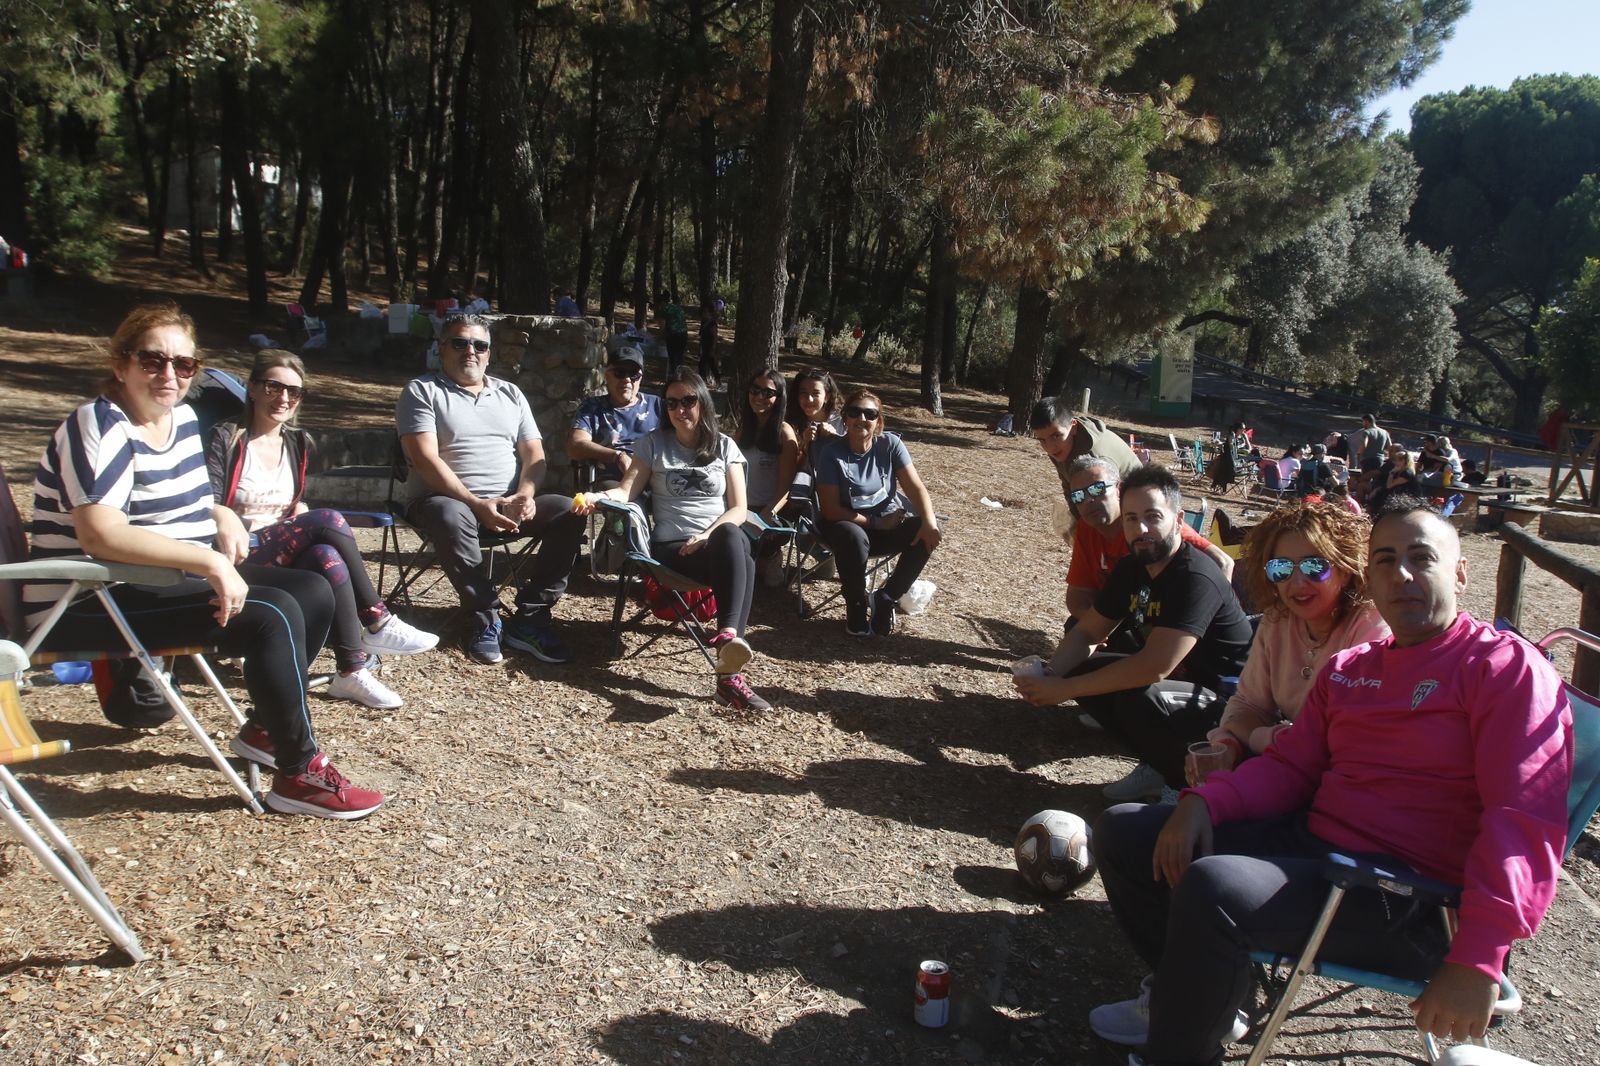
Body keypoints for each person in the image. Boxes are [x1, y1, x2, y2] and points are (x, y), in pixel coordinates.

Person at [1088, 495, 1572, 1066]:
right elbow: (1292, 767)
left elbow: (1523, 822)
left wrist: (1479, 956)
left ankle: (1181, 1048)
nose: (1403, 575)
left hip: (1412, 898)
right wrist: (1203, 802)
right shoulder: (1353, 669)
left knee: (1213, 887)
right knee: (1125, 832)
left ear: (1461, 573)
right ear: (1369, 575)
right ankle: (1194, 999)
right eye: (1386, 560)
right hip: (1322, 854)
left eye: (1422, 557)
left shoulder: (1502, 669)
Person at [25, 303, 384, 818]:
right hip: (85, 599)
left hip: (156, 580)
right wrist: (210, 563)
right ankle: (298, 772)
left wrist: (220, 513)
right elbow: (100, 533)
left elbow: (182, 505)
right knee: (270, 615)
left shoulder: (181, 418)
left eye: (184, 364)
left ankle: (267, 728)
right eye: (152, 361)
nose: (169, 375)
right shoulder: (99, 424)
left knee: (311, 589)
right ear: (121, 363)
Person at [207, 350, 438, 710]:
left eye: (294, 392)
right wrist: (221, 513)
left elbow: (291, 503)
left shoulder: (297, 444)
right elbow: (202, 497)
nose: (283, 398)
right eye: (273, 386)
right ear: (252, 388)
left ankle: (350, 671)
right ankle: (377, 620)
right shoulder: (226, 438)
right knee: (327, 520)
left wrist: (298, 512)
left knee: (325, 554)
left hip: (281, 550)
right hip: (236, 556)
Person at [1015, 464, 1254, 801]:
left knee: (1140, 696)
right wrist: (1050, 674)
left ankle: (1182, 784)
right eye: (1130, 518)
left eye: (1153, 516)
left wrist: (1064, 689)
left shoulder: (1194, 576)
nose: (1141, 528)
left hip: (1231, 700)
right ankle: (1159, 764)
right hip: (1182, 686)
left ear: (1179, 519)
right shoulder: (1133, 567)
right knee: (1086, 667)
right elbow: (1087, 632)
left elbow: (1155, 667)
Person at [397, 313, 586, 666]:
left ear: (489, 352)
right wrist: (475, 502)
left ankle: (530, 618)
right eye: (460, 342)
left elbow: (535, 455)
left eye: (479, 345)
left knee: (567, 508)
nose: (471, 350)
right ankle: (485, 617)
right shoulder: (422, 391)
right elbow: (424, 459)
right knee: (449, 512)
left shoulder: (510, 393)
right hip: (445, 503)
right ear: (441, 349)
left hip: (508, 504)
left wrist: (526, 494)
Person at [582, 368, 770, 711]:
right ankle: (730, 668)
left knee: (732, 533)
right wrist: (598, 498)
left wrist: (706, 535)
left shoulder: (725, 446)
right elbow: (627, 490)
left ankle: (728, 643)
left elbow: (740, 508)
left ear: (704, 403)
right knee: (741, 550)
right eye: (671, 403)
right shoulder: (653, 444)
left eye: (688, 400)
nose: (680, 409)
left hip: (716, 544)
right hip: (672, 549)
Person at [1192, 502, 1388, 779]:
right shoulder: (1279, 619)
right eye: (1281, 568)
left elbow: (1334, 739)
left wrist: (1258, 736)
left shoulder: (1371, 625)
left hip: (1346, 777)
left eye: (1314, 566)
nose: (1296, 582)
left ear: (1346, 569)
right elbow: (1248, 704)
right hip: (1291, 764)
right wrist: (1229, 743)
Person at [813, 389, 943, 637]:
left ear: (878, 421)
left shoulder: (890, 445)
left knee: (926, 529)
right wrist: (875, 522)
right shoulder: (831, 453)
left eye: (870, 414)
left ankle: (885, 598)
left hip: (887, 526)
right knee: (852, 535)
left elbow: (915, 487)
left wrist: (929, 522)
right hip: (843, 527)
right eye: (854, 412)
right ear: (844, 418)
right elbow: (830, 509)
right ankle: (856, 604)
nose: (861, 418)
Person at [1060, 456, 1233, 625]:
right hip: (1120, 620)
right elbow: (1078, 594)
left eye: (1096, 489)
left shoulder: (1155, 529)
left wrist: (1203, 620)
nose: (1088, 500)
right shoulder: (1086, 527)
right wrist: (1096, 624)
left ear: (1119, 489)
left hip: (1164, 624)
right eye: (1078, 496)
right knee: (1075, 626)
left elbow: (1223, 562)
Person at [736, 368, 800, 587]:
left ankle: (770, 555)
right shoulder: (744, 428)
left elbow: (785, 489)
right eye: (755, 389)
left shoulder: (784, 433)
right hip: (741, 506)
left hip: (771, 510)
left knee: (762, 581)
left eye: (768, 392)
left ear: (779, 397)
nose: (760, 396)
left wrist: (762, 518)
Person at [568, 346, 662, 490]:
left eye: (633, 374)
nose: (627, 379)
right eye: (620, 373)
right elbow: (575, 445)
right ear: (607, 375)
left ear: (640, 377)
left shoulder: (657, 405)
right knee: (620, 506)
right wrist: (617, 456)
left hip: (657, 477)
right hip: (614, 479)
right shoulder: (592, 407)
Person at [1029, 396, 1143, 503]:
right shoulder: (1060, 448)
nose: (1049, 447)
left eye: (1056, 436)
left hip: (1138, 500)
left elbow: (1107, 502)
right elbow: (1070, 488)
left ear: (1074, 426)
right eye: (1042, 440)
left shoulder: (1096, 457)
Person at [786, 366, 845, 472]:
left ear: (827, 396)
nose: (809, 399)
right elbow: (789, 470)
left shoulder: (844, 421)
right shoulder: (788, 424)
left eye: (816, 393)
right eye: (803, 393)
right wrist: (804, 446)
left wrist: (836, 439)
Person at [658, 290, 689, 376]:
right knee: (680, 356)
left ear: (662, 302)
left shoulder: (664, 309)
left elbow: (662, 326)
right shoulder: (677, 307)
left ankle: (674, 375)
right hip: (683, 334)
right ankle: (681, 374)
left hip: (673, 335)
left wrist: (660, 337)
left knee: (672, 356)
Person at [698, 306, 721, 387]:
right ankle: (702, 381)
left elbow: (714, 337)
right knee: (702, 364)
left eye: (706, 313)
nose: (704, 314)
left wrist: (712, 349)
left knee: (713, 365)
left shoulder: (713, 324)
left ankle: (718, 381)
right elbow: (701, 335)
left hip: (711, 347)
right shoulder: (704, 322)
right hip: (704, 346)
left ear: (710, 314)